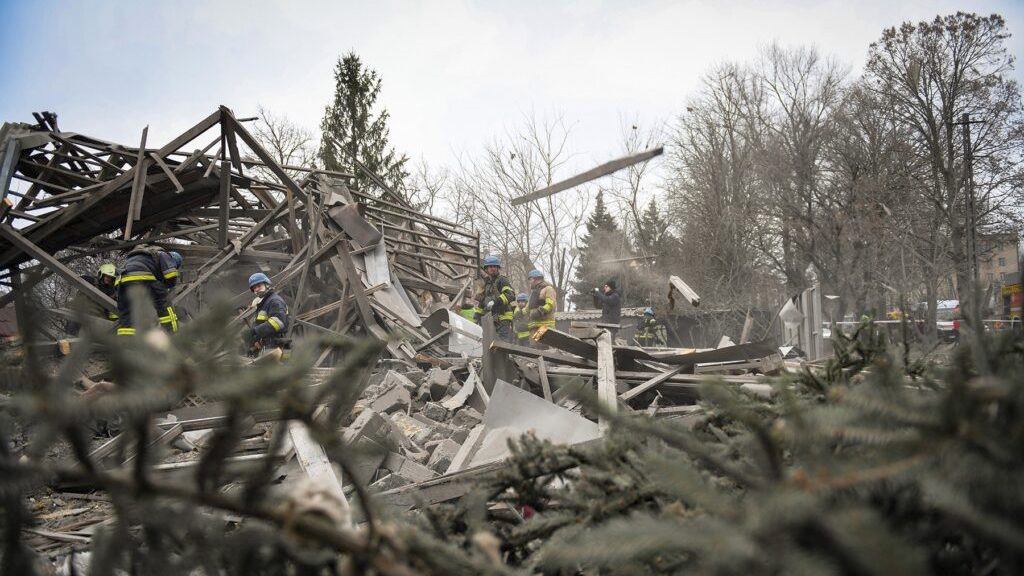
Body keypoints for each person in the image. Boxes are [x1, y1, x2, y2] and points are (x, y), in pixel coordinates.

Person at [115, 246, 182, 336]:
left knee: (127, 315)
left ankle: (126, 342)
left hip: (122, 281)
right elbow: (171, 275)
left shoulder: (143, 255)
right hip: (143, 276)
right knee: (164, 304)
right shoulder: (166, 255)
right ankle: (173, 333)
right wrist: (166, 288)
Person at [245, 272, 289, 356]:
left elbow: (278, 322)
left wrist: (255, 331)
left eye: (259, 286)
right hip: (269, 344)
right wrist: (255, 339)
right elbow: (260, 323)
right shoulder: (264, 303)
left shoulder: (275, 301)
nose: (257, 289)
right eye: (254, 288)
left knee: (277, 369)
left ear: (267, 285)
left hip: (277, 345)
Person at [68, 263, 119, 335]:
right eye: (107, 276)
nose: (109, 279)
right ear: (102, 274)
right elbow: (77, 280)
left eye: (111, 277)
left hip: (98, 318)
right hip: (81, 312)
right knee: (72, 333)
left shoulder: (112, 291)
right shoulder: (91, 281)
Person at [476, 255, 516, 341]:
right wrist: (477, 316)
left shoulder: (502, 280)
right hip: (492, 318)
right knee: (491, 343)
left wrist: (495, 301)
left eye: (495, 266)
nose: (493, 268)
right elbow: (483, 302)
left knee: (502, 343)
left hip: (504, 316)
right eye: (490, 267)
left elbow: (510, 295)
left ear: (498, 268)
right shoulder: (487, 284)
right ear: (486, 269)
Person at [526, 269, 557, 342]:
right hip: (534, 326)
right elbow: (528, 308)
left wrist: (540, 311)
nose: (529, 282)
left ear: (534, 279)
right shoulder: (534, 293)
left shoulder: (548, 289)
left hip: (544, 326)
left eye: (530, 280)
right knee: (534, 346)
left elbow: (550, 304)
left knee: (543, 346)